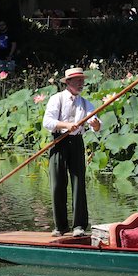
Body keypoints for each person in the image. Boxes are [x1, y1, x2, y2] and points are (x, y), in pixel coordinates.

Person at [42, 67, 102, 237]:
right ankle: (60, 227)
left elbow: (95, 122)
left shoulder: (85, 103)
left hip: (76, 143)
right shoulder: (57, 99)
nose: (81, 83)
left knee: (78, 183)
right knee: (57, 185)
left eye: (82, 80)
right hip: (58, 142)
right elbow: (48, 122)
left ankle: (79, 226)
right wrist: (66, 125)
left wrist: (96, 124)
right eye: (77, 80)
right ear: (68, 82)